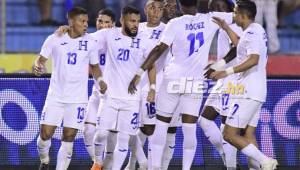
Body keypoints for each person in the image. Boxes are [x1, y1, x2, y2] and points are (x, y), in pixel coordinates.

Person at [128, 0, 234, 169]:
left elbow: (158, 50)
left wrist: (139, 72)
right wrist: (221, 61)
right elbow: (241, 15)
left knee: (161, 126)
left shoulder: (174, 23)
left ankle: (155, 167)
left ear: (180, 5)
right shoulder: (210, 19)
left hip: (172, 81)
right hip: (194, 83)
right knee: (189, 130)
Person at [34, 7, 106, 170]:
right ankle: (44, 160)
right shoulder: (55, 38)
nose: (86, 24)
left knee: (69, 137)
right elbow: (40, 60)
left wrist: (100, 80)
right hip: (56, 96)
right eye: (82, 21)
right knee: (45, 135)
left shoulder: (90, 42)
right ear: (71, 22)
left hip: (77, 99)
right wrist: (38, 67)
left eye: (87, 21)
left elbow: (94, 66)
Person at [211, 0, 278, 169]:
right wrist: (226, 27)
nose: (233, 15)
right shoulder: (255, 30)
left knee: (228, 134)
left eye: (234, 12)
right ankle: (259, 167)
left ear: (241, 15)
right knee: (248, 134)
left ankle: (265, 161)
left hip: (248, 92)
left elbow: (253, 59)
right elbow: (241, 45)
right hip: (256, 91)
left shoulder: (252, 34)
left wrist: (226, 72)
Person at [90, 6, 156, 170]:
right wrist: (64, 32)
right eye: (132, 21)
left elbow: (151, 65)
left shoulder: (145, 39)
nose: (136, 25)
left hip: (132, 99)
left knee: (124, 139)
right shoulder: (109, 34)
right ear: (122, 21)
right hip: (110, 96)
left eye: (138, 21)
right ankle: (98, 162)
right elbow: (84, 40)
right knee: (101, 134)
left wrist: (153, 88)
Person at [198, 0, 243, 169]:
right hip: (223, 79)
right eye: (213, 7)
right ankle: (227, 156)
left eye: (220, 6)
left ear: (230, 8)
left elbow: (237, 48)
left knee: (227, 127)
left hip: (233, 78)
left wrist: (218, 65)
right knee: (204, 120)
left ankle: (232, 166)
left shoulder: (236, 24)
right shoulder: (216, 25)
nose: (216, 10)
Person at [83, 7, 115, 163]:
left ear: (114, 25)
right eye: (100, 21)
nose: (103, 25)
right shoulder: (90, 39)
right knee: (88, 130)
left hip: (114, 96)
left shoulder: (119, 40)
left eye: (107, 22)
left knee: (110, 136)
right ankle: (98, 163)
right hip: (97, 93)